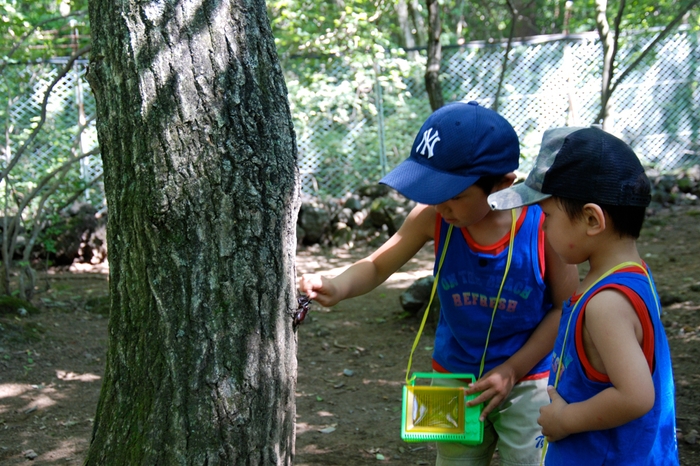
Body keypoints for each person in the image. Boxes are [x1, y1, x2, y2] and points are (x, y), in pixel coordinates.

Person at [299, 101, 578, 466]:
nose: (441, 206)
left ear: (502, 183)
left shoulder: (542, 225)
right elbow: (376, 264)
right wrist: (337, 285)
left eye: (455, 195)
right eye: (433, 193)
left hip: (529, 380)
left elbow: (565, 307)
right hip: (453, 379)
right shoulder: (434, 217)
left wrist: (512, 370)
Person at [488, 126, 679, 465]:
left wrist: (565, 420)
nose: (542, 228)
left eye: (547, 216)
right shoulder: (632, 275)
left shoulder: (606, 304)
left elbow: (636, 396)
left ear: (592, 219)